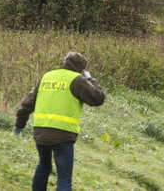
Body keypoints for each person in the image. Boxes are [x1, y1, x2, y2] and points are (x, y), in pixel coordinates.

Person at [13, 52, 105, 191]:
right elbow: (98, 99)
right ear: (81, 68)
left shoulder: (47, 76)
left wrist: (19, 125)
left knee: (43, 166)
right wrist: (91, 79)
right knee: (64, 177)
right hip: (63, 135)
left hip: (41, 132)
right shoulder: (77, 80)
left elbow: (28, 103)